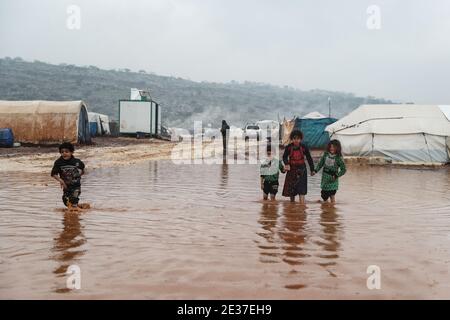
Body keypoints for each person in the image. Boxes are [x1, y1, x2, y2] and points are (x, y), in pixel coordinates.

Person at [282, 130, 315, 204]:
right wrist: (287, 164)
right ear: (292, 139)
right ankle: (292, 204)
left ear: (300, 139)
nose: (296, 140)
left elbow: (309, 158)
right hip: (292, 170)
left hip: (302, 170)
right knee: (291, 189)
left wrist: (312, 169)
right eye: (294, 138)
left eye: (298, 139)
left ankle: (302, 206)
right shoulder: (288, 147)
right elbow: (284, 157)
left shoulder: (304, 147)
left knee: (302, 189)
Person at [51, 142, 86, 210]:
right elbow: (53, 174)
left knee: (74, 198)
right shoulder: (59, 162)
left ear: (72, 152)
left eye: (66, 151)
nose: (64, 153)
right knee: (65, 200)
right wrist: (61, 181)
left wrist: (79, 174)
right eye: (62, 152)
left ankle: (75, 213)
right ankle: (76, 207)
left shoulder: (77, 162)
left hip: (76, 185)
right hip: (66, 186)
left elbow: (83, 170)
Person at [314, 139, 346, 204]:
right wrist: (315, 170)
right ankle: (325, 210)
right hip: (325, 180)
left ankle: (332, 211)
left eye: (333, 147)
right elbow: (320, 163)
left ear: (337, 148)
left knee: (332, 195)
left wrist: (337, 175)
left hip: (333, 180)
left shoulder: (338, 158)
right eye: (330, 147)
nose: (331, 148)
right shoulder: (326, 155)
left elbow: (344, 170)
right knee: (324, 196)